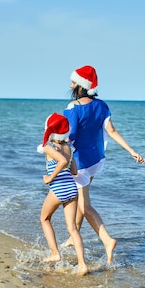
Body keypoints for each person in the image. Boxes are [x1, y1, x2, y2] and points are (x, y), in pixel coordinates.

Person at [62, 65, 145, 264]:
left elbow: (69, 137)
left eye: (73, 81)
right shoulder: (102, 105)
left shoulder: (73, 109)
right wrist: (132, 151)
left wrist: (57, 154)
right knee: (82, 198)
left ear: (80, 85)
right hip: (96, 160)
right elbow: (113, 131)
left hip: (80, 162)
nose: (70, 84)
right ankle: (73, 238)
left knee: (84, 205)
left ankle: (107, 240)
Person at [38, 113, 88, 276]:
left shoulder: (48, 146)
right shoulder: (69, 148)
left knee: (44, 219)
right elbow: (73, 170)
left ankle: (55, 253)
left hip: (59, 187)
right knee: (72, 228)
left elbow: (61, 162)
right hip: (72, 188)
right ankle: (82, 264)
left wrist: (49, 178)